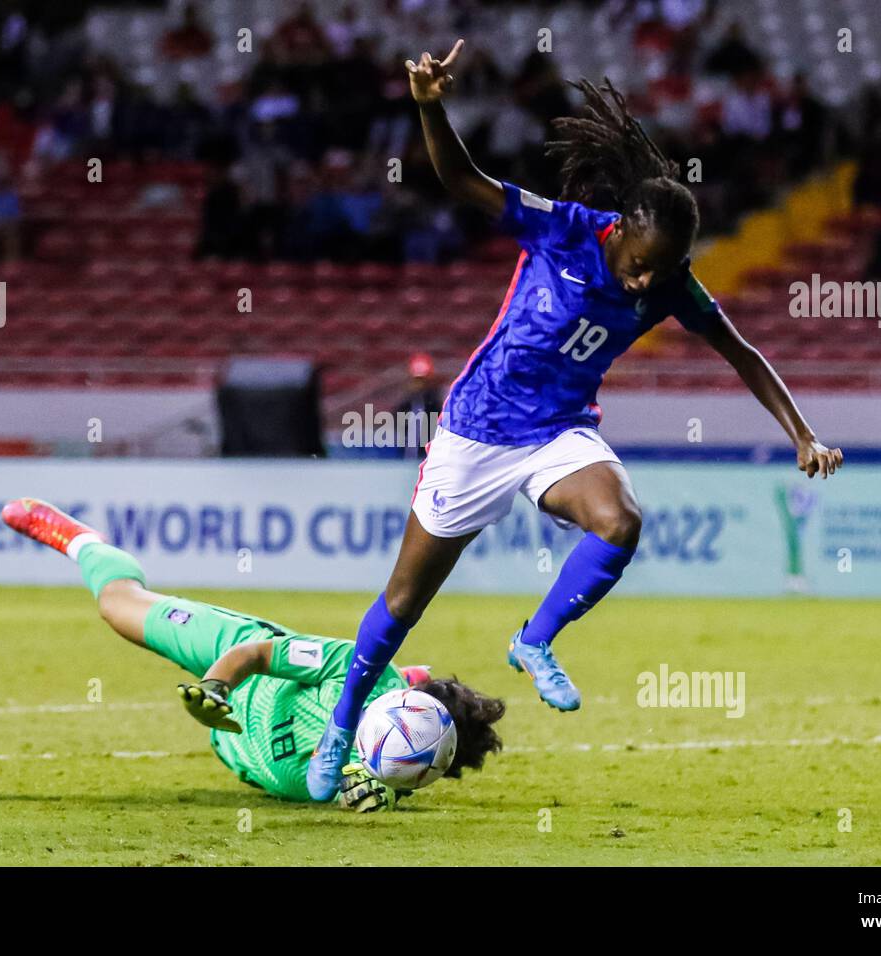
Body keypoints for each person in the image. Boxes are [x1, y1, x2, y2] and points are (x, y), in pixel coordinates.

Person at [305, 39, 844, 801]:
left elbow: (741, 350)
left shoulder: (670, 284)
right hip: (475, 431)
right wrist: (429, 107)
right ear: (622, 227)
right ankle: (338, 730)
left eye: (667, 267)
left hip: (557, 432)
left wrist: (802, 434)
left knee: (620, 522)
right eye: (645, 260)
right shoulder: (562, 228)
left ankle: (533, 639)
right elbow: (462, 180)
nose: (650, 279)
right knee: (402, 604)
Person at [1, 498, 505, 810]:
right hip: (237, 651)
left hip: (240, 748)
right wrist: (215, 687)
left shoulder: (397, 770)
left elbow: (384, 780)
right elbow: (259, 653)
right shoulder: (360, 671)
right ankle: (86, 542)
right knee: (116, 606)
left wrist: (384, 796)